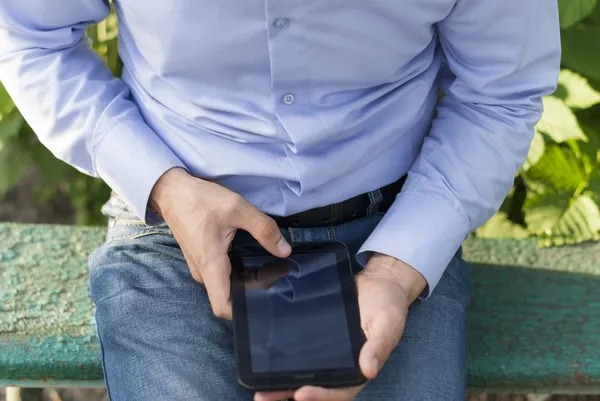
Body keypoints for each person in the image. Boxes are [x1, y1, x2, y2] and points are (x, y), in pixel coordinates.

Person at [0, 0, 560, 399]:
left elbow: (501, 94)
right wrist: (167, 187)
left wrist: (397, 269)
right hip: (177, 232)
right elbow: (29, 37)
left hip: (398, 226)